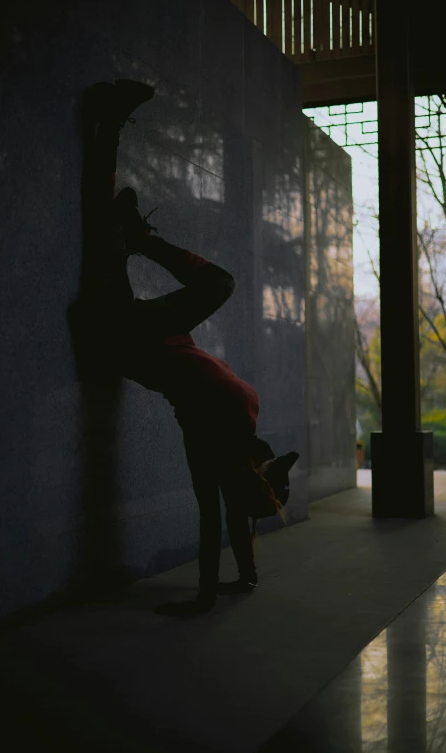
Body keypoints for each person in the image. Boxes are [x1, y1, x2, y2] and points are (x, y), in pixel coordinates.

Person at [110, 187, 298, 616]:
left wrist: (204, 597)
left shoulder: (212, 449)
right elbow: (240, 509)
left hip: (142, 344)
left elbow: (216, 518)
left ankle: (127, 241)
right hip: (163, 334)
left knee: (220, 283)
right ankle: (128, 241)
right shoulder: (246, 430)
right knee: (218, 283)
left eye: (268, 474)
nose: (271, 463)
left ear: (254, 475)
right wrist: (248, 576)